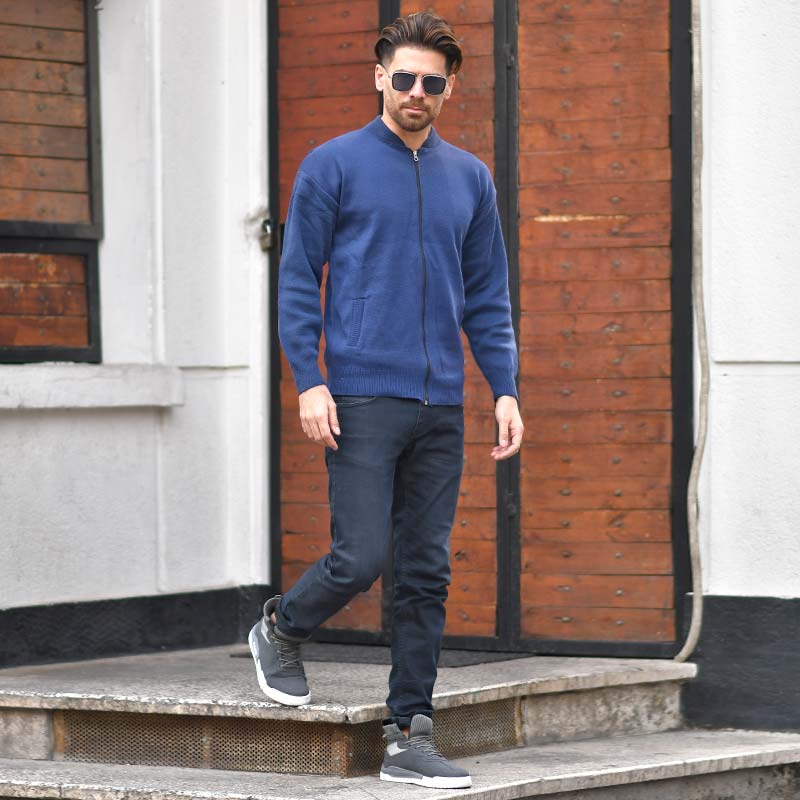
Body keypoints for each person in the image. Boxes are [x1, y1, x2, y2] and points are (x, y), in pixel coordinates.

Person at [248, 10, 524, 790]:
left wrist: (505, 388)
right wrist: (309, 379)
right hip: (363, 395)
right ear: (379, 78)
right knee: (362, 556)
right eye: (403, 78)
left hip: (441, 405)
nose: (415, 93)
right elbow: (298, 281)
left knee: (426, 571)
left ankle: (408, 735)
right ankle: (282, 626)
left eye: (431, 83)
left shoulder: (470, 178)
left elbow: (487, 297)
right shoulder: (332, 164)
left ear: (449, 88)